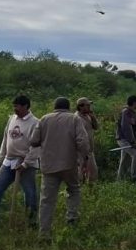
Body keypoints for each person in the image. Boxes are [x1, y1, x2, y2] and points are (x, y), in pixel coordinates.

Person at [30, 97, 91, 239]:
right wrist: (85, 158)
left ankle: (44, 233)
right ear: (68, 107)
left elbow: (33, 141)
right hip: (69, 164)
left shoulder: (44, 119)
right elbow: (82, 141)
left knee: (46, 200)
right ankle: (71, 218)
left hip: (49, 166)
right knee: (74, 190)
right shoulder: (74, 119)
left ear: (54, 107)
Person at [0, 95, 40, 227]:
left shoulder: (35, 123)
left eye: (17, 106)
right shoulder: (12, 119)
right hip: (8, 161)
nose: (15, 109)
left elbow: (36, 147)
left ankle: (31, 223)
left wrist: (25, 164)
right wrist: (1, 157)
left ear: (25, 106)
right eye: (14, 106)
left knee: (30, 193)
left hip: (25, 163)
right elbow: (5, 139)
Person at [116, 95, 136, 181]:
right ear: (134, 103)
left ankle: (120, 181)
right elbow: (126, 128)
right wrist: (131, 141)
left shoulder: (131, 113)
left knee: (125, 160)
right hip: (124, 139)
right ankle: (135, 177)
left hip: (126, 140)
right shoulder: (126, 112)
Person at [75, 97, 99, 182]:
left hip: (89, 149)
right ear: (81, 106)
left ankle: (89, 188)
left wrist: (93, 117)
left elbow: (96, 127)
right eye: (87, 105)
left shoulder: (88, 116)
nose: (89, 107)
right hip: (82, 150)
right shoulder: (77, 118)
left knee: (92, 173)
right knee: (82, 173)